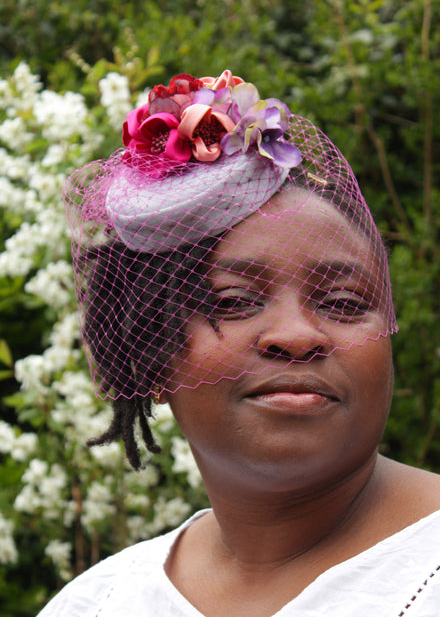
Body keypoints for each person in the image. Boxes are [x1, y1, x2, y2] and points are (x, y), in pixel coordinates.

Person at [38, 70, 440, 616]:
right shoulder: (95, 603)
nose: (298, 336)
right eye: (232, 302)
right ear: (149, 355)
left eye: (345, 303)